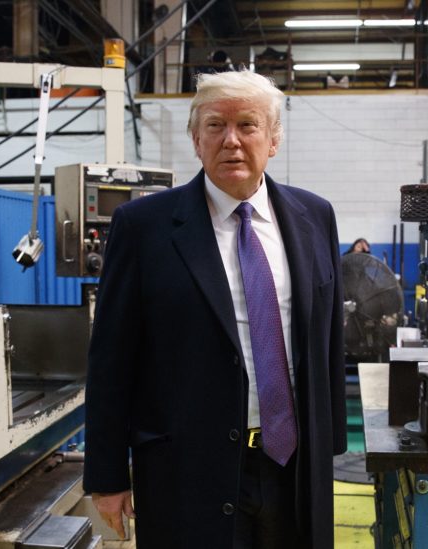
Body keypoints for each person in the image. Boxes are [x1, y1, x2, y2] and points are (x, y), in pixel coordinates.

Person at [82, 69, 347, 549]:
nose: (231, 141)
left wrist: (329, 449)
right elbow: (110, 360)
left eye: (248, 125)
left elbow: (328, 339)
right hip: (185, 471)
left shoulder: (315, 217)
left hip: (294, 468)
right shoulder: (144, 228)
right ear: (194, 137)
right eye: (214, 126)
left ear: (273, 140)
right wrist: (107, 476)